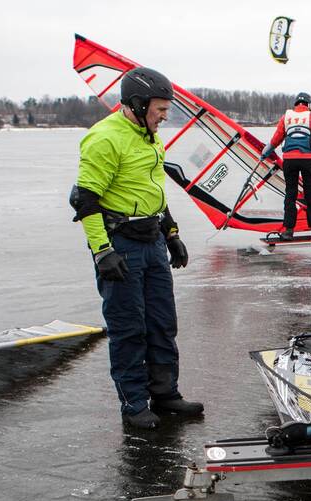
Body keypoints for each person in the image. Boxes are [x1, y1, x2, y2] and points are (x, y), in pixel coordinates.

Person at [71, 66, 204, 430]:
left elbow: (152, 191)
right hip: (121, 244)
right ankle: (134, 405)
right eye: (160, 109)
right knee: (130, 328)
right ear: (137, 103)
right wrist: (102, 252)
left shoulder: (149, 137)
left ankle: (166, 394)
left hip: (153, 241)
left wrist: (171, 232)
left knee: (162, 323)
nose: (165, 117)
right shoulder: (105, 138)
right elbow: (86, 202)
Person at [261, 92, 311, 240]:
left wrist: (265, 153)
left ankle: (288, 231)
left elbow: (275, 140)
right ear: (309, 105)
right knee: (309, 192)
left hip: (289, 160)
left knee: (290, 194)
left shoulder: (286, 118)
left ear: (296, 104)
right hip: (308, 160)